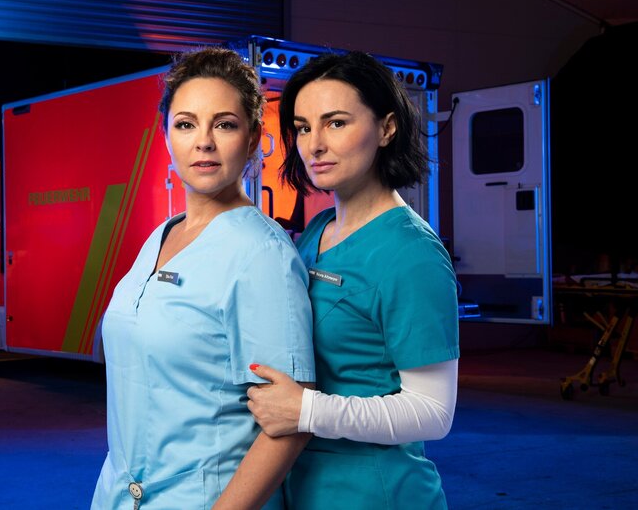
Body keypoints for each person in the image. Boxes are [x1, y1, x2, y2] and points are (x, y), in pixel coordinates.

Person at [90, 47, 316, 510]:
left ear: (252, 140)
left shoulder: (263, 255)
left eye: (225, 124)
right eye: (186, 124)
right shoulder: (161, 237)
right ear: (166, 136)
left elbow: (290, 422)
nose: (204, 142)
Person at [246, 51, 459, 509]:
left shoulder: (412, 254)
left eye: (336, 123)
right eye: (303, 128)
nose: (314, 145)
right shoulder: (319, 230)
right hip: (303, 483)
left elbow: (433, 412)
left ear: (387, 128)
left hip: (376, 492)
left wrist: (306, 410)